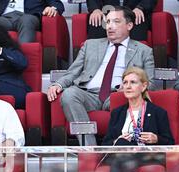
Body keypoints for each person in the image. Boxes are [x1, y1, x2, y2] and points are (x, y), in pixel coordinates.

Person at [47, 6, 154, 146]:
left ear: (129, 25)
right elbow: (73, 71)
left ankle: (115, 146)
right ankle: (90, 148)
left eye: (116, 22)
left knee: (127, 96)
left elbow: (150, 83)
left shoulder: (144, 51)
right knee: (69, 94)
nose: (110, 26)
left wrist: (131, 86)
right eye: (108, 22)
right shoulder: (90, 45)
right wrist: (58, 84)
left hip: (118, 94)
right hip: (88, 94)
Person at [102, 67, 174, 172]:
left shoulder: (157, 112)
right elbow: (106, 142)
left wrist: (156, 139)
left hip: (146, 155)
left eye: (133, 82)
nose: (127, 86)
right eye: (125, 82)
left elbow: (170, 142)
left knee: (118, 163)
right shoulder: (117, 113)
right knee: (121, 144)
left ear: (144, 86)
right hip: (121, 153)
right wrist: (117, 141)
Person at [0, 0, 64, 43]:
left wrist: (52, 8)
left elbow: (57, 4)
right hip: (5, 19)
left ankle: (23, 59)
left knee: (26, 20)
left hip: (28, 17)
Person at [86, 0, 156, 42]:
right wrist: (95, 9)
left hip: (135, 12)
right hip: (107, 14)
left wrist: (140, 8)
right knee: (96, 21)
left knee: (137, 21)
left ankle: (134, 64)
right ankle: (95, 63)